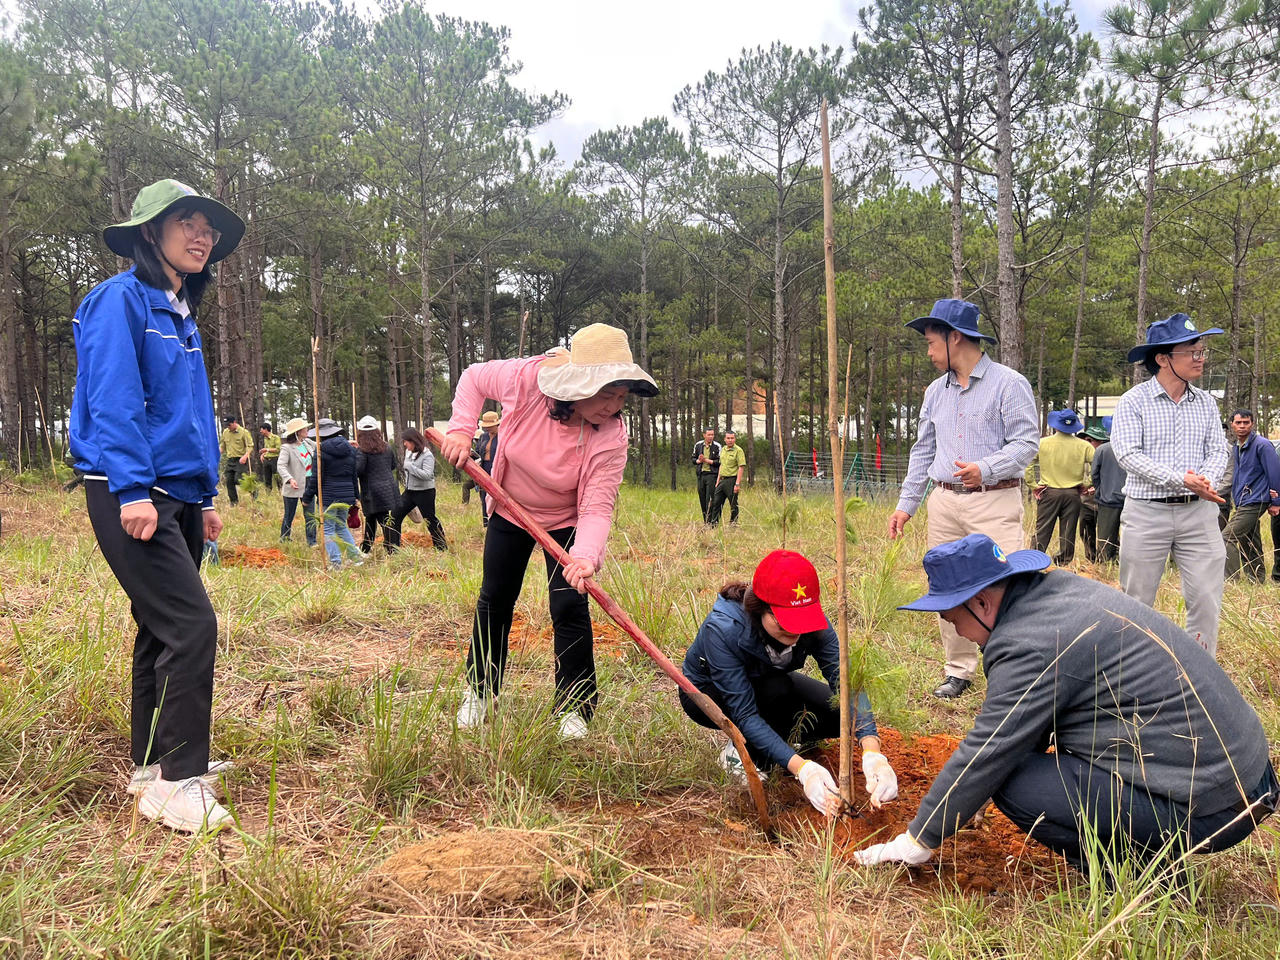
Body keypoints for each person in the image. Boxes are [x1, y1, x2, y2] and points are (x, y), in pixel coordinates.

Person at [855, 534, 1277, 881]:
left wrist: (920, 838)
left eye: (952, 619)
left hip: (1218, 805)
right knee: (1014, 768)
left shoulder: (1028, 642)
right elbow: (1027, 721)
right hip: (1243, 778)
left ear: (981, 603)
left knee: (1012, 781)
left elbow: (992, 747)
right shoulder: (1055, 596)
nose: (955, 630)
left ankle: (1136, 877)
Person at [70, 177, 245, 832]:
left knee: (159, 628)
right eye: (188, 223)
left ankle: (151, 767)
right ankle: (179, 778)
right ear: (151, 232)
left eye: (210, 230)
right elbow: (113, 398)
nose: (203, 237)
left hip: (178, 495)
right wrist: (132, 488)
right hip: (132, 490)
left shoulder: (181, 314)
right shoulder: (120, 301)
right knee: (192, 625)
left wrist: (204, 496)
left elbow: (191, 414)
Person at [438, 323, 658, 739]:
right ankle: (481, 691)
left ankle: (574, 707)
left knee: (569, 607)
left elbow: (597, 505)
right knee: (495, 599)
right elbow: (472, 378)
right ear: (578, 383)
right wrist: (461, 430)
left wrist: (585, 556)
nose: (614, 405)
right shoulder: (525, 380)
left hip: (567, 522)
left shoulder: (611, 436)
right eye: (606, 393)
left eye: (621, 395)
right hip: (510, 509)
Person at [886, 298, 1039, 700]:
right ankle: (958, 670)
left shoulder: (1010, 384)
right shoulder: (936, 393)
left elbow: (1026, 444)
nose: (930, 352)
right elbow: (923, 451)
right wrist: (907, 504)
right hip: (944, 503)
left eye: (933, 343)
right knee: (947, 585)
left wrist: (985, 468)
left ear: (956, 338)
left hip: (994, 500)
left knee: (1007, 586)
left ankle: (1013, 670)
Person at [681, 550, 899, 817]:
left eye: (801, 622)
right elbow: (745, 712)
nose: (795, 632)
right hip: (711, 695)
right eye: (784, 623)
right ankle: (742, 753)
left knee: (838, 716)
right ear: (759, 608)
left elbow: (846, 683)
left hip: (770, 682)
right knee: (776, 692)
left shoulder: (813, 623)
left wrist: (872, 751)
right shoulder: (725, 629)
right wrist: (802, 769)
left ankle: (777, 740)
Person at [1112, 313, 1229, 656]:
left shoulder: (1207, 403)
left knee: (1207, 600)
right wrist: (1182, 479)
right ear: (1162, 359)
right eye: (1192, 352)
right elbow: (1128, 454)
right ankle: (1131, 675)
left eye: (1202, 350)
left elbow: (1218, 450)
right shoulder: (1134, 402)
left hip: (1199, 514)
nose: (1200, 358)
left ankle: (1200, 676)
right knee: (1136, 602)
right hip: (1147, 514)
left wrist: (1205, 481)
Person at [1027, 408, 1092, 566]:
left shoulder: (1042, 443)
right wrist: (1087, 484)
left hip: (1049, 492)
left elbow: (1028, 465)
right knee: (1068, 531)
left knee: (1042, 530)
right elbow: (1097, 466)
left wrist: (1033, 485)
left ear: (1056, 426)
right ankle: (1063, 563)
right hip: (1073, 493)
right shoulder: (1084, 446)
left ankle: (1034, 562)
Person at [1223, 409, 1280, 582]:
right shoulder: (1237, 447)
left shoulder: (1262, 445)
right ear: (1232, 424)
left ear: (1252, 424)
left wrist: (1276, 501)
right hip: (1243, 500)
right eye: (1238, 423)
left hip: (1256, 500)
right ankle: (1256, 578)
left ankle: (1231, 579)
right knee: (1249, 540)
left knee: (1227, 537)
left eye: (1246, 422)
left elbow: (1275, 473)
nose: (1242, 426)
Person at [303, 418, 363, 569]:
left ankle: (335, 562)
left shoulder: (321, 449)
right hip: (346, 495)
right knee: (341, 526)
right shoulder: (350, 449)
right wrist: (356, 495)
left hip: (329, 496)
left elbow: (317, 477)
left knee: (328, 528)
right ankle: (356, 558)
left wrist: (307, 497)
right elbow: (353, 475)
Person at [389, 427, 447, 550]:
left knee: (429, 519)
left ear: (414, 441)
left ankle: (441, 547)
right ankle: (393, 548)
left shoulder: (427, 455)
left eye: (406, 441)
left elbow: (427, 475)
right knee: (395, 515)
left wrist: (411, 467)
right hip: (410, 492)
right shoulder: (409, 452)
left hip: (425, 493)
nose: (404, 444)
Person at [354, 415, 399, 554]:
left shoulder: (362, 451)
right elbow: (393, 465)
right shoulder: (386, 447)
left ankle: (392, 549)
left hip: (372, 491)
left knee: (382, 519)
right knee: (373, 518)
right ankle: (366, 548)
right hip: (388, 488)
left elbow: (358, 470)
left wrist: (353, 455)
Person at [276, 416, 316, 546]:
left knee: (310, 515)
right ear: (298, 431)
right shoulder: (287, 448)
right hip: (294, 485)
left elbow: (323, 447)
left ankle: (312, 541)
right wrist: (289, 478)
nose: (307, 429)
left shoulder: (308, 443)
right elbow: (281, 466)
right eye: (305, 428)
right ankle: (285, 538)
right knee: (289, 514)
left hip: (309, 485)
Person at [1091, 419, 1126, 563]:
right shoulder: (1135, 449)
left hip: (1107, 500)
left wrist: (1100, 491)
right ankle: (1124, 563)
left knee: (1105, 537)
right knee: (1130, 537)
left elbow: (1094, 474)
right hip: (1131, 500)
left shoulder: (1102, 449)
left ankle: (1105, 564)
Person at [1077, 425, 1108, 562]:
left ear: (1101, 442)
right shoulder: (1080, 457)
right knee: (1085, 530)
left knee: (1107, 532)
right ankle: (1091, 559)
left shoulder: (1107, 457)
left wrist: (1096, 486)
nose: (1087, 442)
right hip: (1085, 501)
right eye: (1085, 439)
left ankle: (1107, 558)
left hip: (1105, 502)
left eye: (1090, 440)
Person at [707, 430, 746, 525]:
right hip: (722, 480)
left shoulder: (738, 450)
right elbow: (721, 465)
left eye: (732, 438)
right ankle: (713, 524)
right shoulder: (723, 449)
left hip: (732, 480)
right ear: (725, 439)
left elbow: (741, 467)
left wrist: (737, 484)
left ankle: (733, 524)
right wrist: (718, 480)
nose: (730, 440)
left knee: (733, 503)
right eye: (728, 438)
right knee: (716, 502)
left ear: (735, 439)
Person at [473, 410, 500, 526]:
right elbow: (478, 451)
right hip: (484, 467)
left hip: (498, 468)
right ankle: (486, 521)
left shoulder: (503, 436)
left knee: (497, 494)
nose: (488, 429)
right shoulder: (483, 437)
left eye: (490, 427)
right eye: (486, 427)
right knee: (484, 495)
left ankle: (498, 520)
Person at [219, 415, 251, 506]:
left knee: (238, 479)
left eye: (229, 425)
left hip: (240, 460)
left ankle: (252, 489)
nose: (228, 427)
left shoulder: (244, 432)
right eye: (226, 425)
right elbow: (222, 446)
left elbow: (250, 446)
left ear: (234, 422)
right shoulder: (225, 432)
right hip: (230, 460)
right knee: (229, 481)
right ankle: (234, 502)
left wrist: (246, 456)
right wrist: (217, 454)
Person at [692, 428, 722, 522]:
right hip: (701, 475)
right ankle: (705, 521)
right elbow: (693, 459)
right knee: (702, 498)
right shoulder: (698, 445)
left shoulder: (717, 446)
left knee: (710, 498)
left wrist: (707, 461)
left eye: (712, 435)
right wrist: (699, 461)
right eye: (709, 435)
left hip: (712, 475)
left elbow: (720, 462)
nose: (711, 437)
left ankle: (711, 521)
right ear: (704, 435)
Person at [257, 422, 280, 494]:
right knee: (267, 478)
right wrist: (262, 455)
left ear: (266, 429)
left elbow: (278, 449)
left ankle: (281, 492)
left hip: (275, 460)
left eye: (262, 430)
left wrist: (266, 450)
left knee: (277, 477)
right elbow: (267, 450)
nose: (261, 431)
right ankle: (268, 493)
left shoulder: (276, 438)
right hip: (266, 460)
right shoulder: (265, 439)